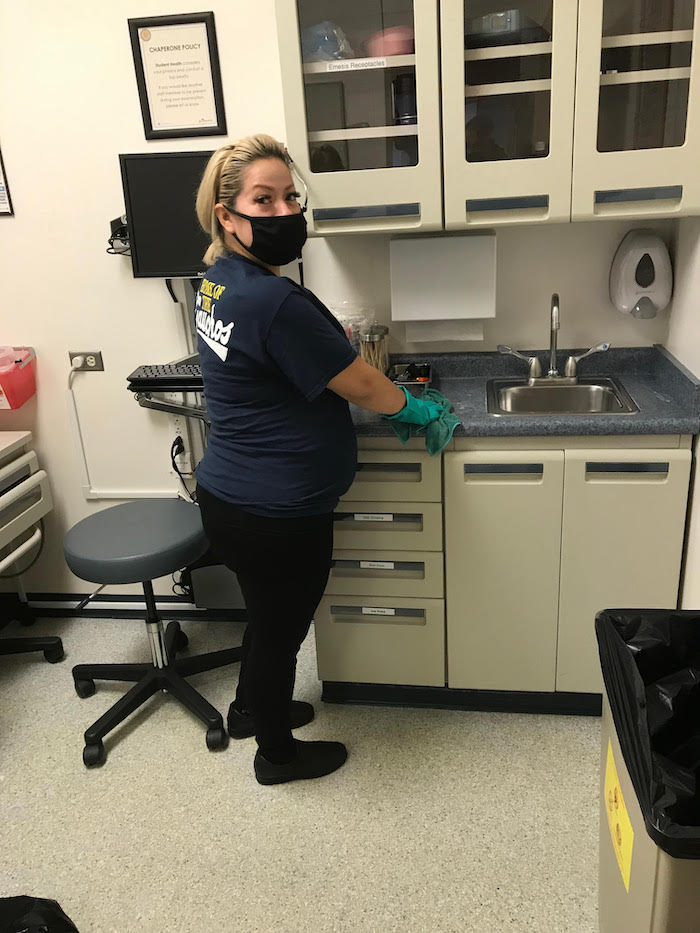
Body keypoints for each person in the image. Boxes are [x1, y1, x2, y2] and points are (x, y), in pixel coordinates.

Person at [194, 134, 440, 786]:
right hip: (277, 511)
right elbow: (360, 381)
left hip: (230, 497)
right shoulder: (273, 300)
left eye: (290, 198)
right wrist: (413, 409)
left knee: (263, 617)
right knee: (280, 631)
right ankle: (277, 754)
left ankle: (250, 706)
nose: (283, 212)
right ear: (227, 213)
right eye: (263, 200)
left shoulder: (216, 283)